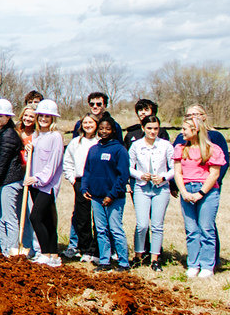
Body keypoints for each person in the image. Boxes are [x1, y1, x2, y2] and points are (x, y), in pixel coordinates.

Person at [173, 105, 229, 269]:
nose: (182, 132)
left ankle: (208, 264)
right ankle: (193, 264)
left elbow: (216, 171)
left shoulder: (214, 144)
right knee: (191, 230)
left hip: (207, 189)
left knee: (206, 228)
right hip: (187, 189)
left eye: (195, 115)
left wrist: (203, 191)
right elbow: (177, 171)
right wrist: (182, 190)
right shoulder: (180, 147)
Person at [82, 118, 131, 272]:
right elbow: (87, 171)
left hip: (113, 198)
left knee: (115, 229)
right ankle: (104, 261)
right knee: (101, 230)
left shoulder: (119, 150)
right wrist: (84, 188)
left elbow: (123, 176)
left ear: (114, 131)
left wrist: (112, 195)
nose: (103, 131)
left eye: (107, 129)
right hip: (96, 197)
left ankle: (124, 263)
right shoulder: (94, 149)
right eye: (101, 128)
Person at [129, 115, 174, 271]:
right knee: (142, 224)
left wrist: (164, 177)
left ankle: (155, 258)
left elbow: (174, 168)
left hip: (161, 188)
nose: (152, 131)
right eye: (149, 128)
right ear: (143, 128)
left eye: (155, 128)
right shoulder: (136, 145)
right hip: (142, 187)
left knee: (157, 225)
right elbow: (129, 167)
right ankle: (138, 255)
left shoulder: (166, 145)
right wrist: (140, 175)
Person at [24, 100, 64, 267]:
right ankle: (54, 256)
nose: (44, 119)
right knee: (47, 220)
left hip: (47, 185)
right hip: (35, 184)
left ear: (53, 118)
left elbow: (53, 163)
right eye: (41, 116)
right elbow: (33, 161)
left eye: (48, 116)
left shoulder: (56, 137)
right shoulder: (36, 137)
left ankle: (45, 253)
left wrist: (38, 178)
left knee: (35, 217)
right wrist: (28, 154)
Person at [0, 99, 26, 256]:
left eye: (0, 115)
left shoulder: (8, 135)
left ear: (8, 117)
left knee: (8, 217)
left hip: (9, 181)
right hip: (2, 180)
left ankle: (13, 251)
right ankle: (5, 250)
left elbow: (1, 164)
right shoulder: (0, 132)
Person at [62, 113, 100, 263]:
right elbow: (68, 162)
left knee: (98, 217)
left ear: (96, 124)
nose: (88, 125)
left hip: (97, 182)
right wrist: (72, 180)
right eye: (85, 123)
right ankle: (85, 249)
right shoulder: (76, 143)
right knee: (82, 217)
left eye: (91, 122)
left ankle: (96, 250)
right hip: (80, 181)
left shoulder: (100, 142)